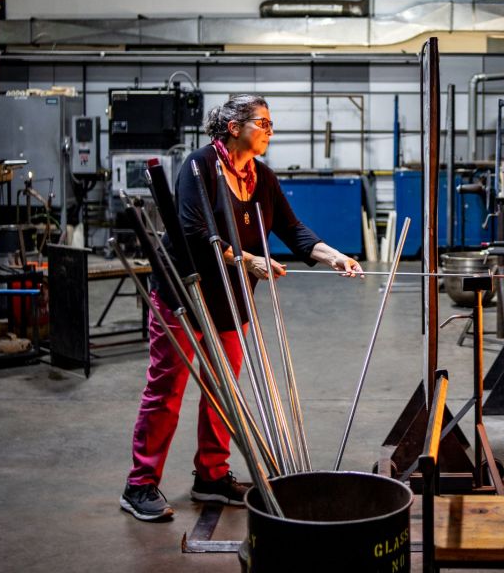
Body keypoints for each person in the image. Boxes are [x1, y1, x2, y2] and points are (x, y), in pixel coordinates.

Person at [121, 95, 364, 522]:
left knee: (224, 394)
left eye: (272, 124)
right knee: (167, 390)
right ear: (234, 127)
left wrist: (334, 257)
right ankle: (139, 484)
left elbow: (292, 228)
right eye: (263, 123)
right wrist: (250, 260)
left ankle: (211, 477)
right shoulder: (198, 167)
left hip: (230, 300)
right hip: (183, 295)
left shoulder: (262, 178)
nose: (271, 131)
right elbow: (197, 233)